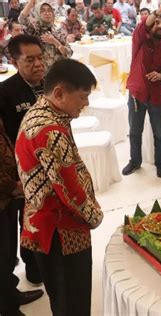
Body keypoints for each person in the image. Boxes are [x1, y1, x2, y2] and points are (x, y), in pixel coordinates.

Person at [15, 59, 103, 316]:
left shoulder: (41, 110)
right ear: (59, 93)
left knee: (62, 298)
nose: (86, 104)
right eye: (83, 96)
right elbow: (69, 189)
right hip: (61, 230)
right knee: (72, 302)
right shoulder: (50, 130)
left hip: (43, 222)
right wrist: (95, 215)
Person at [0, 34, 46, 287]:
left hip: (47, 169)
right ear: (15, 61)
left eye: (40, 58)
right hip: (18, 175)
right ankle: (11, 282)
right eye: (30, 60)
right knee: (18, 224)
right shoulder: (6, 92)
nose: (38, 64)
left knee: (39, 221)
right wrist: (14, 180)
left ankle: (36, 266)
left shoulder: (51, 85)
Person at [122, 9, 161, 178]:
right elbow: (143, 24)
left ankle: (160, 164)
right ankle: (135, 161)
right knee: (135, 131)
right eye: (156, 22)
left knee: (159, 133)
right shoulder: (139, 40)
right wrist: (157, 12)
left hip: (156, 96)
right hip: (137, 94)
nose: (159, 25)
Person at [0, 118, 45, 316]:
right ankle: (8, 308)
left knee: (8, 254)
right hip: (4, 194)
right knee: (1, 256)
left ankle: (11, 294)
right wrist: (14, 186)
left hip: (7, 200)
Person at [19, 0, 72, 71]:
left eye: (49, 10)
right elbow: (22, 19)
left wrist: (55, 42)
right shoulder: (34, 29)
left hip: (58, 71)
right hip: (41, 72)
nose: (47, 13)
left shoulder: (58, 30)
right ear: (37, 13)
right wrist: (31, 3)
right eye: (43, 11)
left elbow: (69, 52)